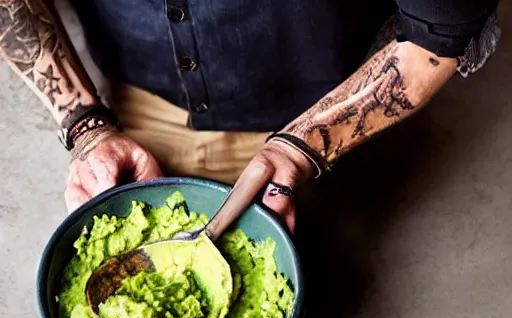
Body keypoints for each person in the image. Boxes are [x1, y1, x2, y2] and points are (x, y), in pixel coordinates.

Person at [0, 0, 502, 231]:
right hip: (131, 87)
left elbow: (433, 35)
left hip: (335, 96)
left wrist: (301, 145)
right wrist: (87, 126)